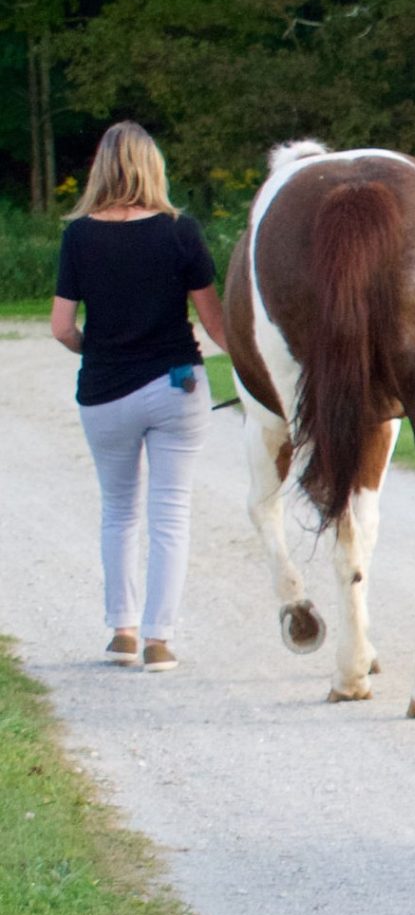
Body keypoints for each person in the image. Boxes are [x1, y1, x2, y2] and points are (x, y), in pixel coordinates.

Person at [50, 121, 230, 673]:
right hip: (175, 386)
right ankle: (159, 639)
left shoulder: (78, 235)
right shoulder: (181, 231)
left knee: (118, 511)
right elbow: (216, 324)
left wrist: (97, 350)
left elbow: (61, 327)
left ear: (100, 168)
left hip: (104, 393)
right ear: (155, 167)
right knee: (170, 514)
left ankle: (121, 630)